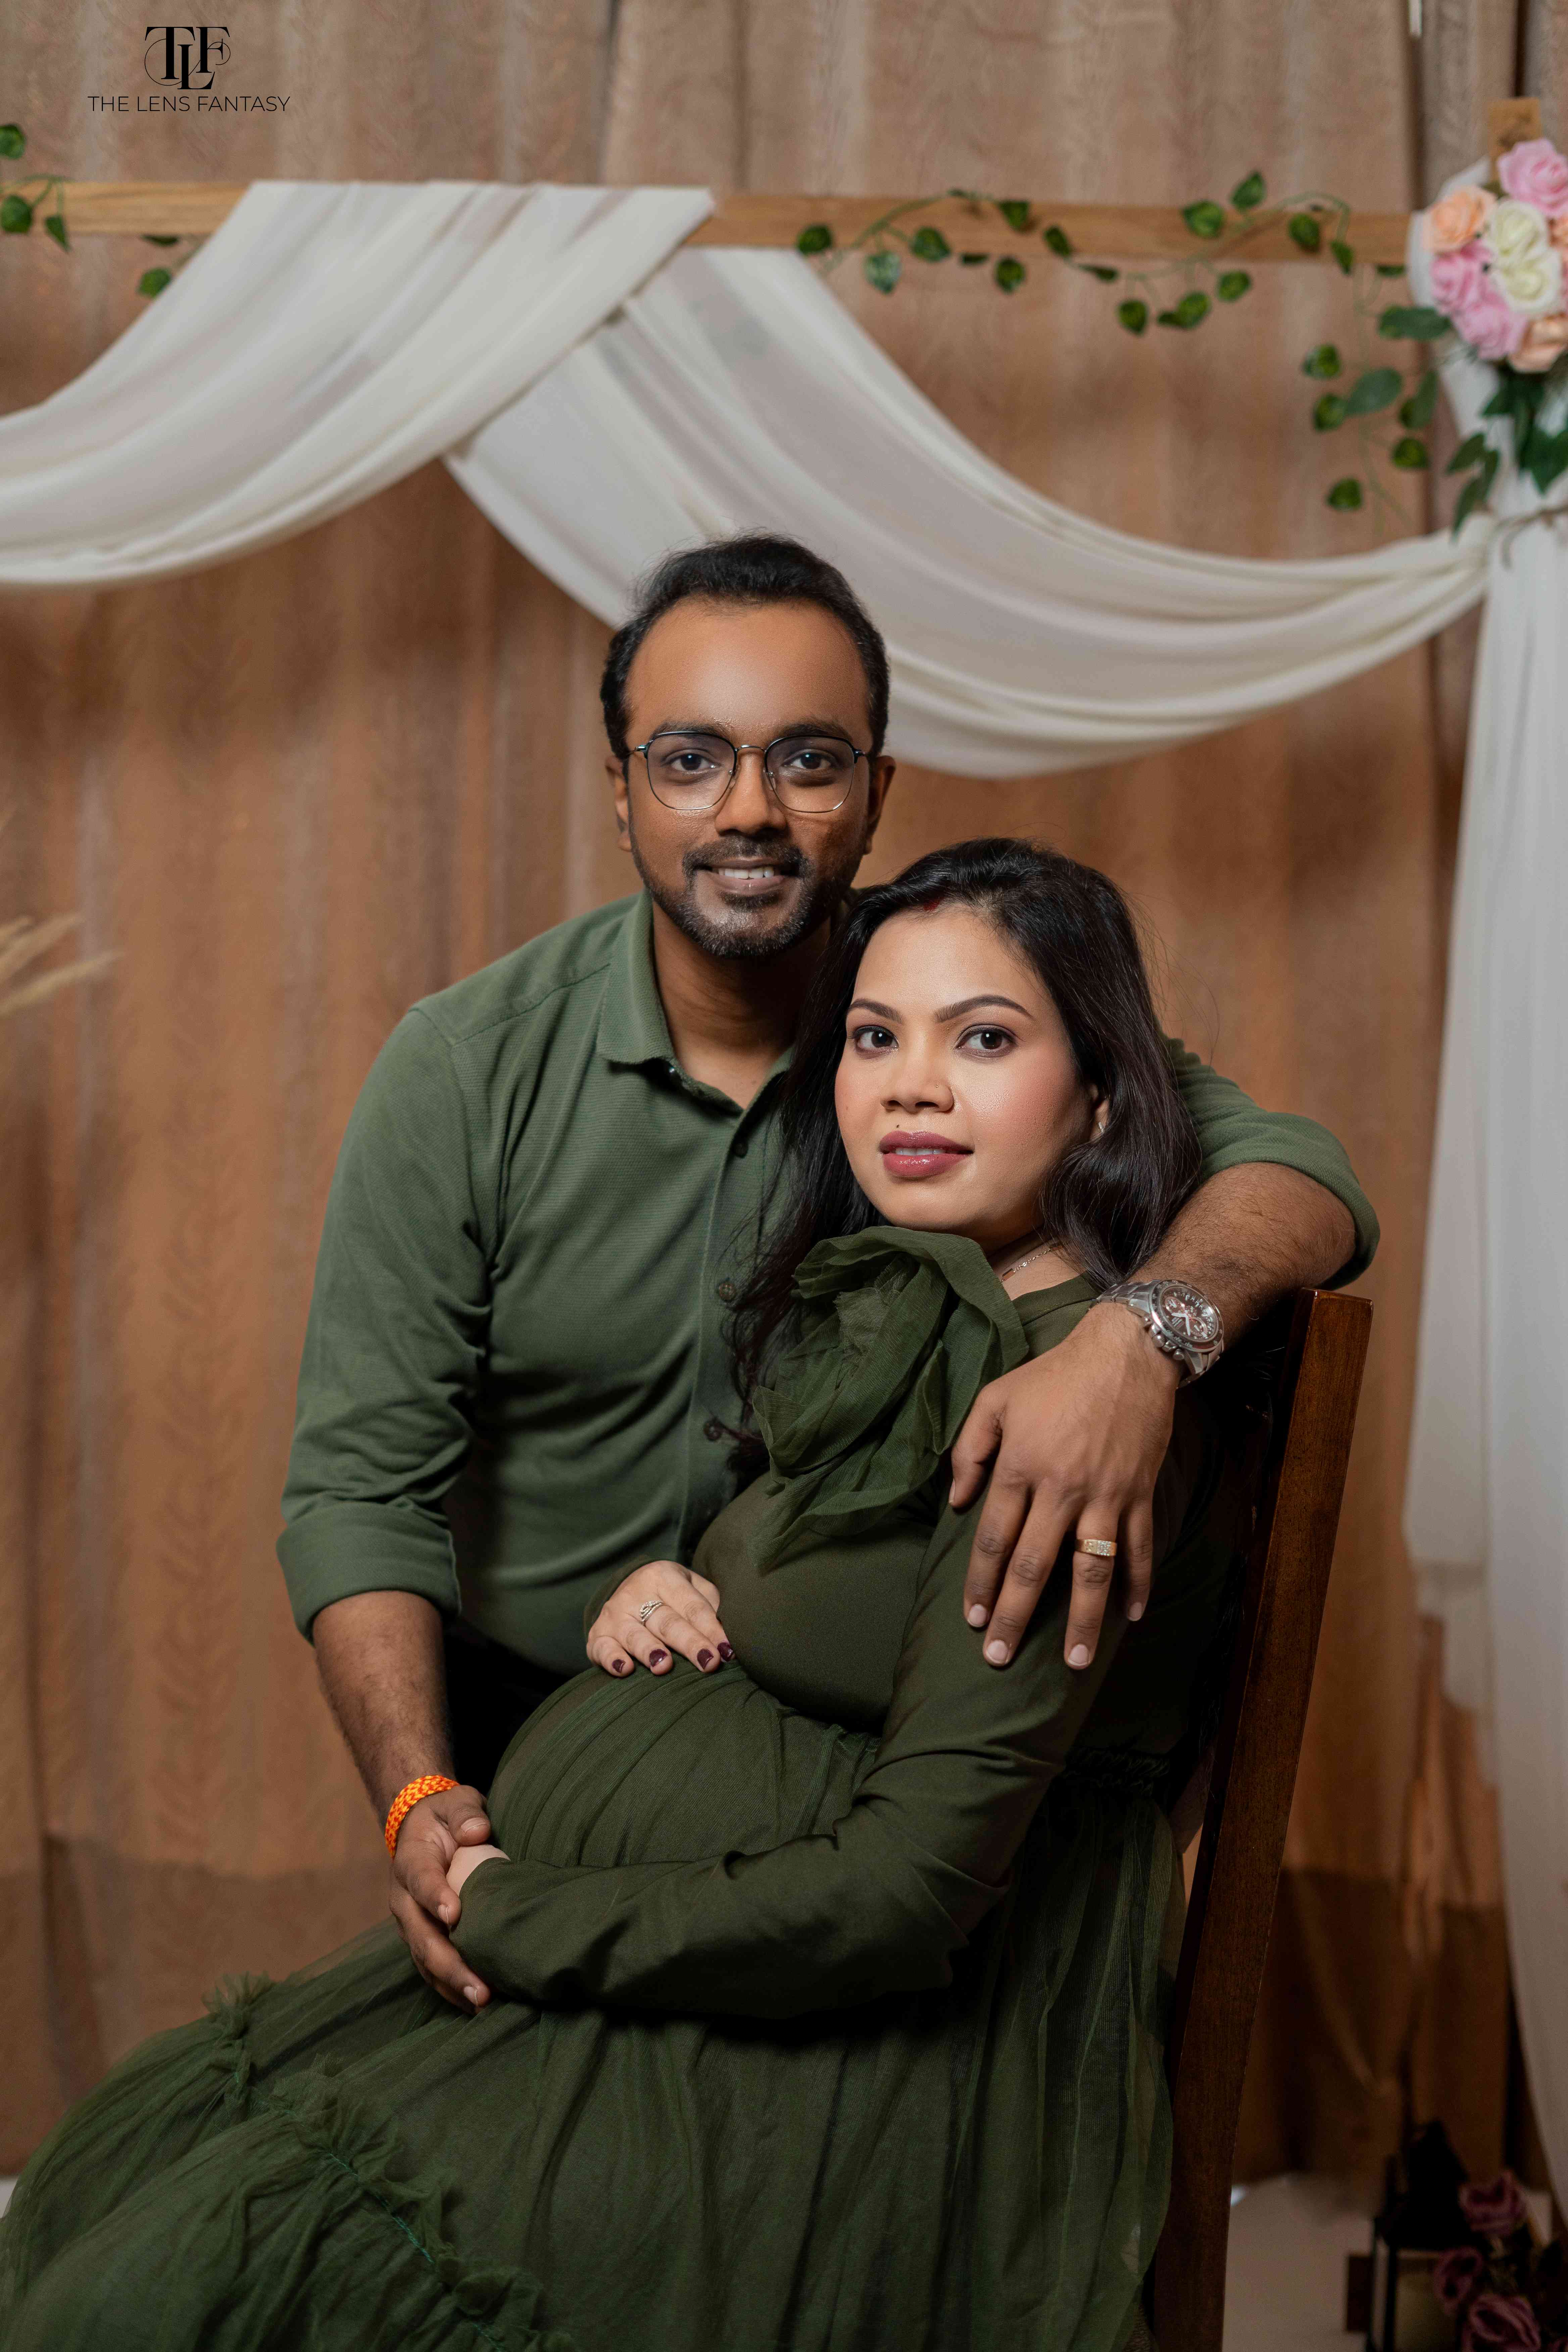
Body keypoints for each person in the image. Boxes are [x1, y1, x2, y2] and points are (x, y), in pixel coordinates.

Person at [2, 837, 1304, 2350]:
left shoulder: (1074, 1419)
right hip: (659, 1978)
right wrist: (683, 1585)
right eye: (873, 1036)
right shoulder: (916, 1299)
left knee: (170, 2294)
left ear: (1101, 1100)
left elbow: (902, 1899)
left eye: (985, 1040)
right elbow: (835, 1591)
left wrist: (515, 1911)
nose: (910, 1088)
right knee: (131, 2213)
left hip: (830, 2059)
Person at [282, 534, 1376, 2020]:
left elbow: (1304, 1180)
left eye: (807, 759)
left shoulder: (945, 1028)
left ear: (874, 791)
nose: (749, 809)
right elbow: (360, 1491)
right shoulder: (468, 1070)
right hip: (520, 1730)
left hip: (862, 1770)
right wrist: (421, 1795)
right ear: (621, 791)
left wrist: (1137, 1342)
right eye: (690, 760)